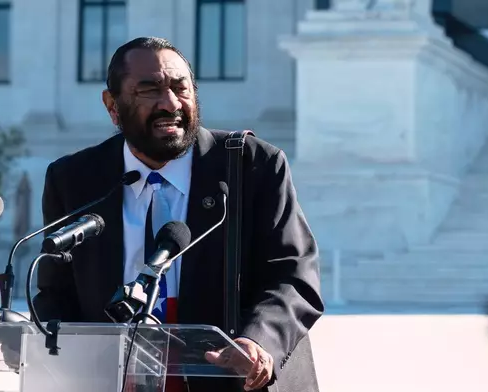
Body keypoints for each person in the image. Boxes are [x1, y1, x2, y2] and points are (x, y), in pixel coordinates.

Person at [33, 36, 324, 392]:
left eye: (179, 88)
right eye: (149, 90)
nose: (170, 103)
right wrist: (41, 342)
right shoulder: (75, 179)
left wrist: (259, 342)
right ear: (112, 105)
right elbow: (56, 294)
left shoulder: (252, 166)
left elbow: (294, 275)